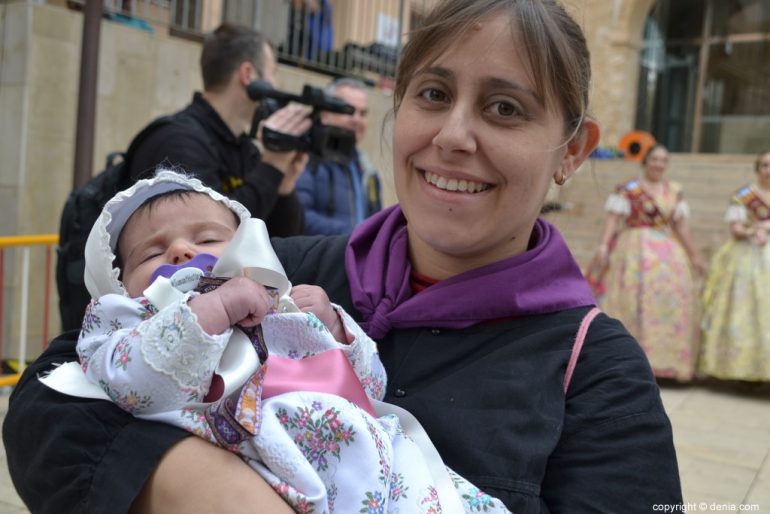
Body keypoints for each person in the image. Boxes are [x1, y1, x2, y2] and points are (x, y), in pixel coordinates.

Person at [3, 1, 684, 513]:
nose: (453, 135)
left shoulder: (599, 376)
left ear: (571, 149)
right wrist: (213, 491)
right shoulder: (276, 273)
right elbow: (55, 392)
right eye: (434, 94)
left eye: (505, 108)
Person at [63, 169, 511, 513]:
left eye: (207, 238)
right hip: (272, 466)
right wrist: (208, 314)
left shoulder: (277, 301)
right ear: (117, 282)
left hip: (380, 457)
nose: (181, 251)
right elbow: (131, 382)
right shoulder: (129, 319)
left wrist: (337, 331)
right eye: (152, 251)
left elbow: (370, 390)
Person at [127, 22, 311, 238]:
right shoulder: (179, 143)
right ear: (248, 74)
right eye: (272, 73)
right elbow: (209, 236)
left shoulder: (243, 148)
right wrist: (272, 166)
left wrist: (284, 185)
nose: (275, 84)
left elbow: (285, 240)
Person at [591, 143, 705, 382]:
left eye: (663, 160)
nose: (659, 164)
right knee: (633, 302)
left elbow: (681, 226)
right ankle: (627, 361)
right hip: (634, 250)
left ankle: (666, 363)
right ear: (646, 161)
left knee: (667, 304)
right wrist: (603, 245)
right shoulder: (629, 189)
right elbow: (613, 220)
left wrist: (694, 255)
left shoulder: (674, 190)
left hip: (669, 253)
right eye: (654, 159)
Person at [700, 150, 770, 382]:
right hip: (747, 257)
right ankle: (742, 372)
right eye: (765, 165)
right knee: (745, 312)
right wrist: (755, 231)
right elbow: (737, 230)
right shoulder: (744, 195)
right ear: (757, 169)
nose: (769, 170)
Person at [296, 78, 382, 235]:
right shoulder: (303, 158)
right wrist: (357, 236)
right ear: (325, 114)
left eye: (363, 113)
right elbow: (298, 218)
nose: (357, 119)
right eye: (349, 110)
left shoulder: (369, 171)